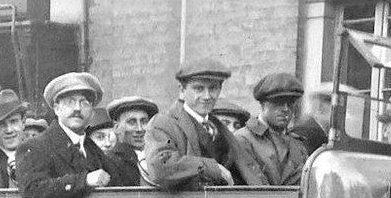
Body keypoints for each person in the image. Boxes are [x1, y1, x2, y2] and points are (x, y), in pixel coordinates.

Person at [141, 58, 265, 190]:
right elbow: (161, 167)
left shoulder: (219, 128)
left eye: (213, 88)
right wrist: (211, 168)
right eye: (199, 89)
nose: (207, 96)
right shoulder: (164, 123)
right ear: (182, 90)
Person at [15, 72, 121, 198]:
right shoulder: (34, 147)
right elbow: (34, 194)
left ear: (91, 112)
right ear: (57, 108)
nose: (77, 108)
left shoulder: (93, 150)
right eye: (70, 102)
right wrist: (85, 180)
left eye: (84, 102)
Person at [235, 73, 309, 186]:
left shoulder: (297, 145)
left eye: (290, 103)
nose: (285, 109)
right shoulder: (243, 139)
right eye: (278, 102)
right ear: (263, 104)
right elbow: (257, 187)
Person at [106, 95, 157, 186]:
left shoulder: (159, 156)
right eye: (132, 122)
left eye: (144, 122)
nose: (139, 129)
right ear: (116, 127)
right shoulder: (110, 162)